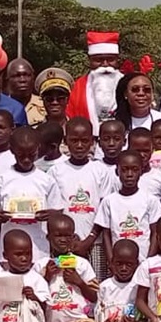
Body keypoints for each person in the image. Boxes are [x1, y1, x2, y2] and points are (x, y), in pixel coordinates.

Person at [34, 214, 103, 322]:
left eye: (67, 235)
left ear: (73, 237)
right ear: (48, 237)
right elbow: (35, 300)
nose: (63, 240)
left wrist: (79, 282)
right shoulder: (41, 265)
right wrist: (46, 278)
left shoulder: (82, 264)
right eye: (58, 235)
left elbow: (95, 297)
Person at [49, 118, 114, 280]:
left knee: (94, 283)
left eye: (84, 141)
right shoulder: (56, 171)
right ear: (65, 141)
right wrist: (67, 240)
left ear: (92, 142)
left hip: (94, 243)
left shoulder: (100, 171)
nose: (79, 145)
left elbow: (105, 210)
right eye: (74, 140)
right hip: (64, 245)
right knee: (67, 284)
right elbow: (54, 210)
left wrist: (89, 239)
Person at [0, 127, 62, 262]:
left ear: (38, 149)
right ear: (12, 150)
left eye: (31, 154)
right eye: (21, 155)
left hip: (39, 250)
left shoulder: (46, 180)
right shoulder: (1, 180)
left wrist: (50, 215)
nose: (27, 159)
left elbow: (58, 213)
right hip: (8, 252)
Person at [91, 150, 161, 262]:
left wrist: (149, 261)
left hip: (143, 260)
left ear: (141, 171)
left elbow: (155, 232)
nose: (129, 174)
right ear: (117, 171)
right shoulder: (108, 201)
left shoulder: (150, 200)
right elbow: (106, 234)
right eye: (124, 170)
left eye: (134, 170)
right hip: (119, 264)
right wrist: (111, 262)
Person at [67, 31, 124, 132]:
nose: (105, 64)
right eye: (99, 60)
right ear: (90, 61)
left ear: (117, 60)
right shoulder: (79, 87)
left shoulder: (128, 84)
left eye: (110, 59)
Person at [5, 58, 45, 125]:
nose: (22, 80)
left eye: (26, 75)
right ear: (8, 79)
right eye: (17, 76)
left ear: (33, 78)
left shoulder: (45, 106)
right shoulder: (1, 107)